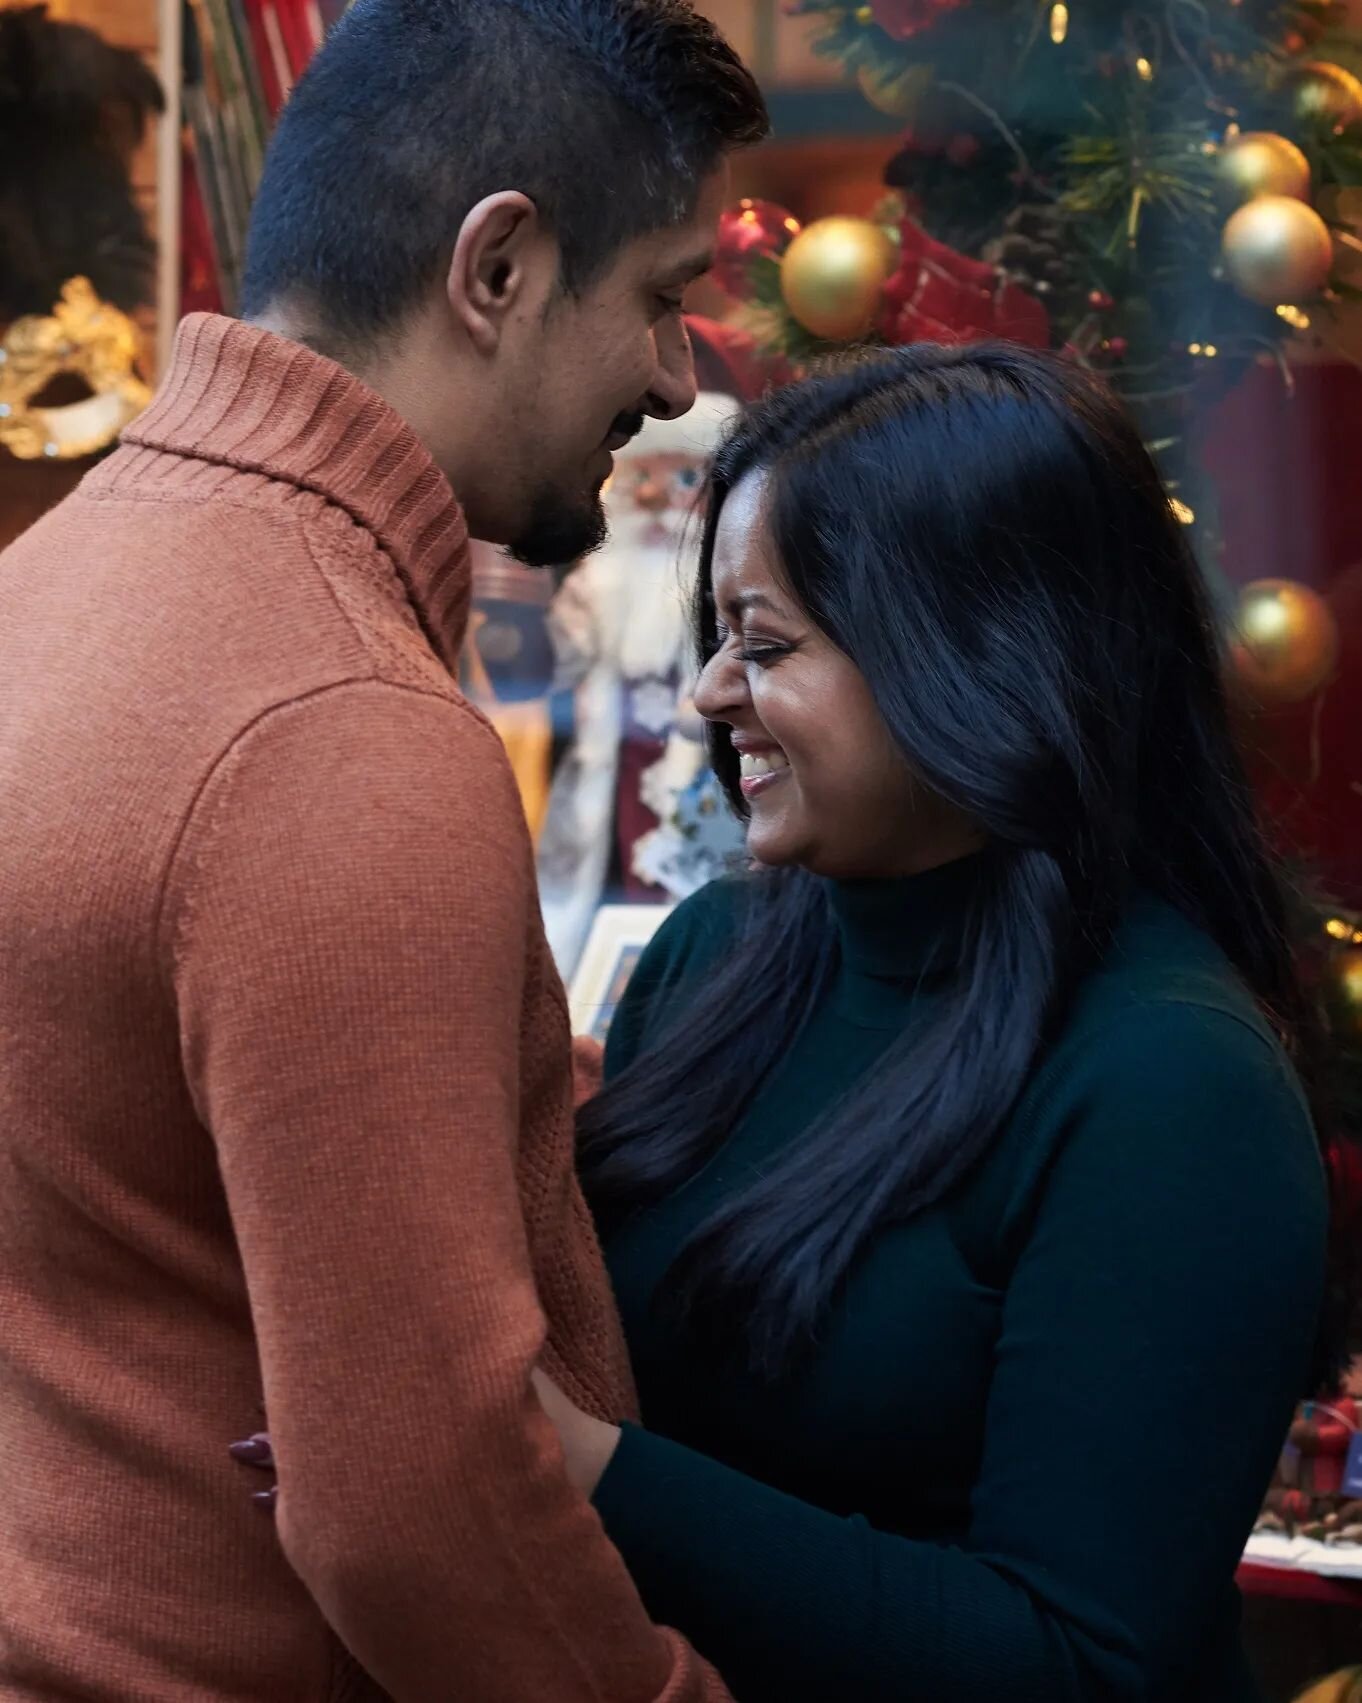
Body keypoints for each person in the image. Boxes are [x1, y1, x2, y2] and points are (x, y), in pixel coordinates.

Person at [0, 0, 767, 1697]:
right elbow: (415, 1499)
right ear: (496, 270)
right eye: (658, 293)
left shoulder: (44, 591)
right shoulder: (337, 722)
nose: (671, 375)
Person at [536, 343, 1333, 1701]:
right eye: (716, 634)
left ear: (975, 654)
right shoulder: (711, 956)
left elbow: (1078, 1663)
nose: (712, 693)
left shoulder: (1164, 1084)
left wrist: (583, 1471)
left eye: (768, 643)